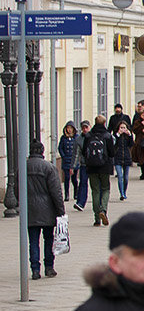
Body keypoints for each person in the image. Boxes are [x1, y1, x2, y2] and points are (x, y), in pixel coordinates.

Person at [27, 140, 66, 280]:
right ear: (42, 152)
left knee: (33, 241)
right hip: (48, 210)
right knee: (48, 239)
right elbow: (56, 192)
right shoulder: (49, 168)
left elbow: (17, 190)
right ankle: (49, 267)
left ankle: (35, 270)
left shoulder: (24, 167)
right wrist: (61, 211)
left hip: (30, 210)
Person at [82, 114, 115, 226]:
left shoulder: (88, 135)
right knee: (105, 189)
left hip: (91, 167)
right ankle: (103, 210)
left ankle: (97, 219)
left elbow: (84, 151)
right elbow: (112, 153)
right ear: (104, 123)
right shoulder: (107, 135)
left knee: (95, 191)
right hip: (104, 167)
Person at [58, 120, 81, 204]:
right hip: (66, 161)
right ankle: (66, 194)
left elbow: (79, 148)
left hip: (74, 160)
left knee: (74, 179)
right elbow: (60, 148)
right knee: (67, 178)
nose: (69, 130)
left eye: (71, 128)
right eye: (68, 128)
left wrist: (77, 157)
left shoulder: (76, 137)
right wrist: (63, 156)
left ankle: (76, 193)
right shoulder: (63, 138)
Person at [73, 119, 91, 211]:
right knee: (83, 183)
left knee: (96, 185)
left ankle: (100, 203)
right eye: (83, 128)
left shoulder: (94, 136)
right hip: (84, 165)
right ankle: (80, 203)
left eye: (86, 127)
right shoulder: (79, 140)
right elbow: (76, 154)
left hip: (94, 165)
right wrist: (73, 166)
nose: (85, 129)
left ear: (89, 127)